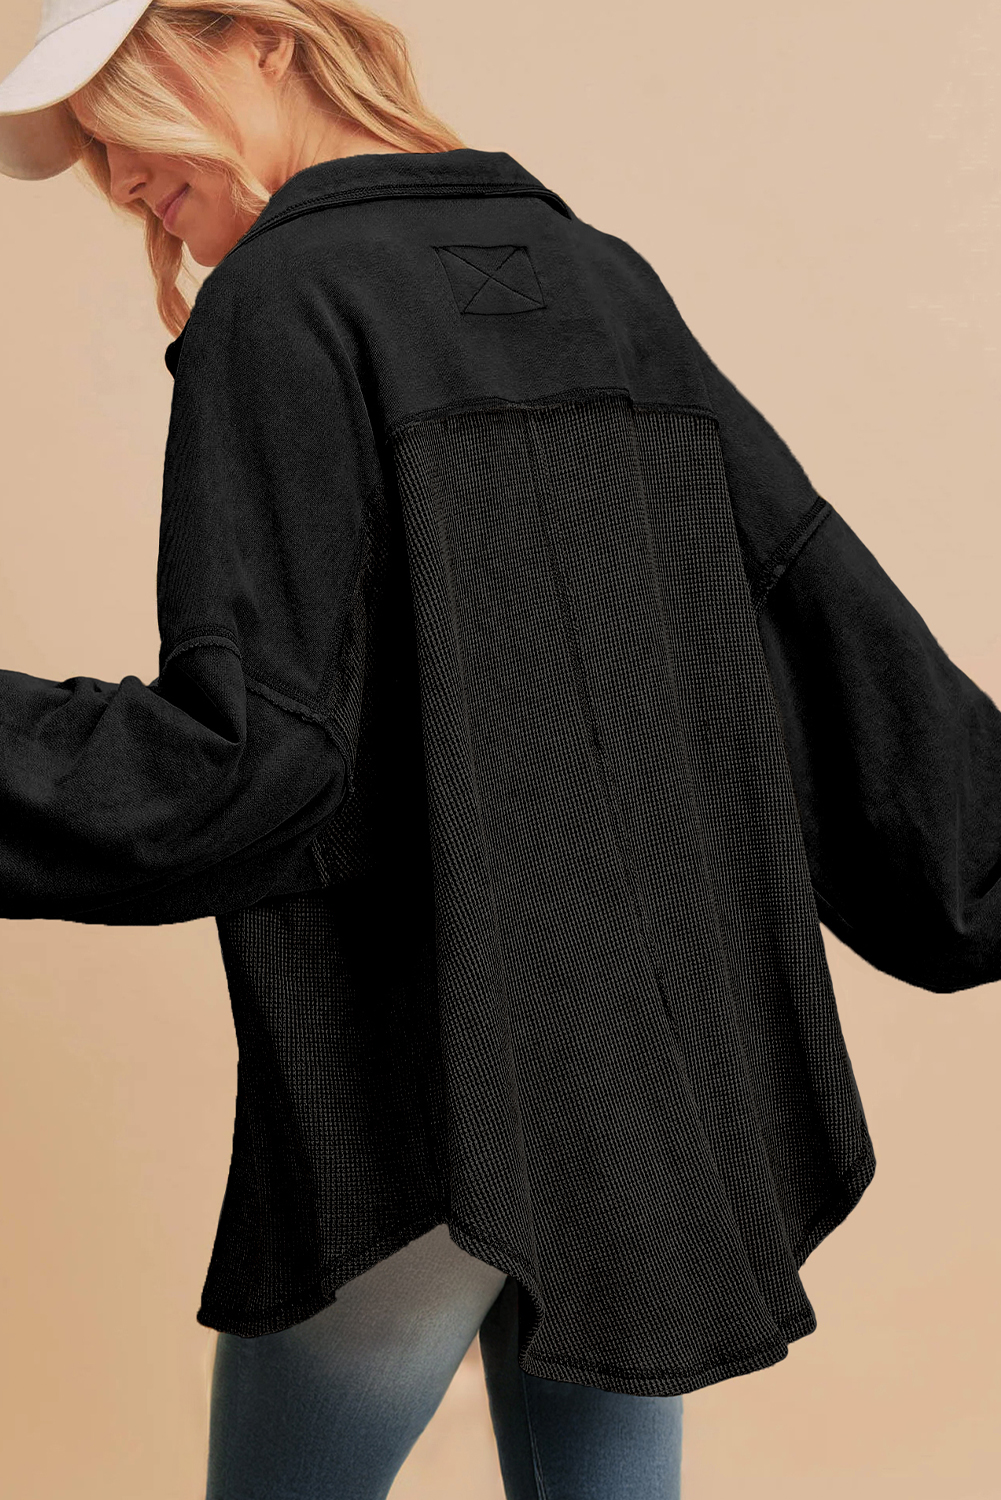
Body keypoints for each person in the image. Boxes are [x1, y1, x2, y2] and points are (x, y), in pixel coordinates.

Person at [2, 4, 999, 1499]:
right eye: (90, 149)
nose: (119, 174)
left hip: (430, 1072)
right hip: (646, 1059)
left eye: (124, 110)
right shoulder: (601, 279)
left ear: (264, 41)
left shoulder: (286, 303)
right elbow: (812, 611)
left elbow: (253, 755)